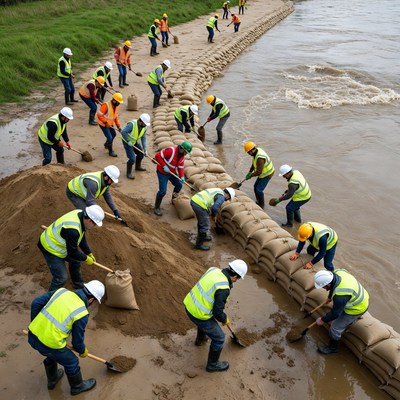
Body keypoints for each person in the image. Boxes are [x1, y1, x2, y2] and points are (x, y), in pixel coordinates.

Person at [27, 280, 105, 395]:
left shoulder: (61, 292)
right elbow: (77, 343)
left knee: (52, 354)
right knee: (72, 362)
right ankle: (77, 387)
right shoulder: (81, 313)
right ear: (91, 299)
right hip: (49, 345)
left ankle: (52, 379)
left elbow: (35, 303)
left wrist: (35, 324)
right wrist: (83, 351)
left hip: (32, 337)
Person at [183, 259, 247, 372]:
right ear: (235, 276)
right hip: (199, 314)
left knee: (205, 323)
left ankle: (200, 340)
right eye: (238, 279)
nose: (236, 281)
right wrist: (225, 319)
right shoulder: (223, 288)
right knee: (219, 338)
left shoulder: (213, 270)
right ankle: (212, 365)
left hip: (189, 305)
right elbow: (217, 313)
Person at [38, 205, 104, 291]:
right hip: (50, 247)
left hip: (60, 245)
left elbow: (81, 237)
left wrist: (88, 252)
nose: (95, 226)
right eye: (95, 223)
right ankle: (49, 298)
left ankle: (77, 284)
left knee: (76, 261)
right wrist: (86, 258)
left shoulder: (79, 214)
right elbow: (72, 252)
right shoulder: (73, 230)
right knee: (62, 278)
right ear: (89, 220)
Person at [314, 269, 369, 354]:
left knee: (335, 328)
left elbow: (335, 314)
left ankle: (333, 348)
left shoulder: (340, 297)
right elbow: (334, 285)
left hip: (356, 308)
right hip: (362, 296)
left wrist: (322, 320)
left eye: (324, 287)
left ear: (328, 284)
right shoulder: (338, 272)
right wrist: (330, 296)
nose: (324, 289)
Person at [153, 141, 192, 216]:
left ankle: (173, 200)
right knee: (162, 191)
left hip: (172, 172)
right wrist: (164, 166)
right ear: (182, 149)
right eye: (186, 152)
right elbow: (158, 156)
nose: (186, 154)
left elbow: (181, 166)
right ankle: (156, 208)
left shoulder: (182, 156)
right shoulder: (171, 151)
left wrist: (182, 176)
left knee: (179, 185)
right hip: (162, 173)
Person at [243, 141, 274, 209]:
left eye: (248, 152)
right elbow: (254, 163)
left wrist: (250, 176)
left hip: (267, 174)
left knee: (259, 190)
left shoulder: (260, 158)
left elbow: (259, 172)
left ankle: (262, 205)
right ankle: (258, 200)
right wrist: (250, 171)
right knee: (255, 186)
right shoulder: (256, 152)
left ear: (252, 150)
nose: (248, 154)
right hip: (263, 173)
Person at [121, 113, 151, 179]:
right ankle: (128, 173)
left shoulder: (144, 128)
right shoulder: (132, 125)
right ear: (141, 121)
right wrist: (128, 141)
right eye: (145, 124)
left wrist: (145, 149)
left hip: (134, 142)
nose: (145, 125)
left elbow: (143, 138)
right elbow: (123, 132)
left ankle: (137, 167)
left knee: (141, 154)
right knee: (132, 159)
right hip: (127, 142)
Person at [96, 92, 123, 157]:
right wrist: (105, 122)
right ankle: (110, 151)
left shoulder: (116, 107)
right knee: (110, 137)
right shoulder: (106, 105)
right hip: (103, 124)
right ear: (114, 100)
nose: (119, 104)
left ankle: (107, 144)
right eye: (118, 102)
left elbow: (115, 117)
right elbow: (99, 115)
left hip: (110, 124)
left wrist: (118, 126)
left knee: (113, 134)